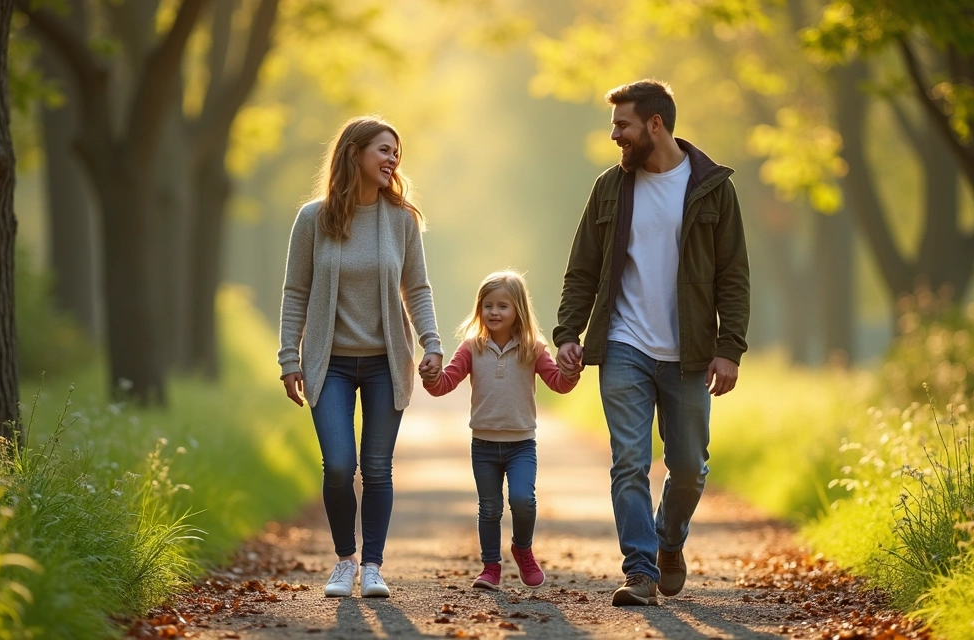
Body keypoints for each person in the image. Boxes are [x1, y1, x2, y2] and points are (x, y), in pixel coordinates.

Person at [554, 79, 750, 606]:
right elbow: (582, 270)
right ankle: (639, 570)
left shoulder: (712, 187)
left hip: (688, 352)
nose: (615, 134)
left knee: (688, 467)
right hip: (624, 344)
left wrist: (729, 348)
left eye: (623, 124)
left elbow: (733, 275)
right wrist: (568, 332)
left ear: (655, 125)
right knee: (629, 461)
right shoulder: (611, 188)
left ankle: (669, 541)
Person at [278, 116, 444, 599]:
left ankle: (372, 565)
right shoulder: (314, 218)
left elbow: (418, 289)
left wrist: (431, 342)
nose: (393, 160)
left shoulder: (402, 220)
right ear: (355, 153)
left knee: (376, 467)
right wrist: (289, 357)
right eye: (384, 150)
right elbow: (295, 292)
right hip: (328, 363)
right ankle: (344, 559)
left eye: (397, 153)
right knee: (337, 464)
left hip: (383, 363)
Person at [422, 271, 578, 591]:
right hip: (483, 445)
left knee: (524, 501)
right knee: (490, 508)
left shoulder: (532, 348)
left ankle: (522, 548)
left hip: (522, 444)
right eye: (488, 305)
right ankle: (491, 567)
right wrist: (431, 376)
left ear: (518, 310)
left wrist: (572, 371)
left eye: (502, 306)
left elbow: (559, 384)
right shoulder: (471, 348)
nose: (494, 312)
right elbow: (444, 384)